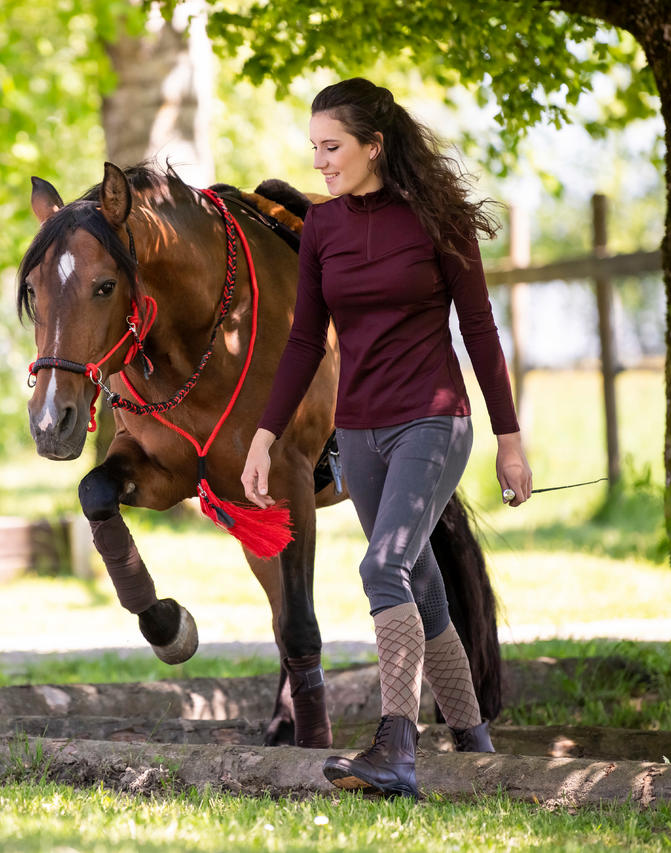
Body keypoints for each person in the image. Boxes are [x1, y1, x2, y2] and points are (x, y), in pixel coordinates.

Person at [241, 77, 533, 798]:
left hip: (434, 421)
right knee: (421, 584)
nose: (321, 162)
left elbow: (482, 332)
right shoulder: (324, 231)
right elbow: (306, 340)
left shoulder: (438, 220)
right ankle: (474, 743)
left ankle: (395, 747)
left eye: (332, 147)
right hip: (359, 434)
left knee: (383, 566)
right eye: (314, 148)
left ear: (375, 145)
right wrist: (264, 435)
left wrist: (510, 437)